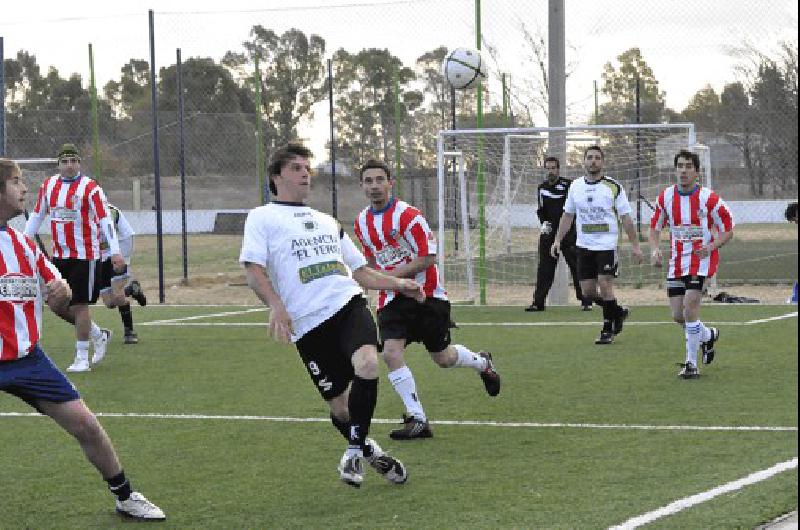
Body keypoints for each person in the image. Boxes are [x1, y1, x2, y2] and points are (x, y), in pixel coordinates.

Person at [240, 143, 419, 488]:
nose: (305, 173)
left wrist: (399, 283)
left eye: (307, 167)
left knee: (368, 364)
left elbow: (361, 272)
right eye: (295, 168)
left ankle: (353, 449)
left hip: (347, 304)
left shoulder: (327, 221)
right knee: (340, 409)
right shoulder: (261, 217)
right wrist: (276, 305)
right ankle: (368, 451)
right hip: (306, 325)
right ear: (276, 176)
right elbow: (253, 270)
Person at [0, 158, 165, 520]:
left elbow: (55, 284)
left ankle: (125, 496)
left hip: (27, 360)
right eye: (15, 182)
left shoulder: (21, 243)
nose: (24, 188)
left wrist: (59, 288)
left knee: (86, 424)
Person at [354, 159, 501, 440]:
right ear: (362, 186)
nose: (374, 186)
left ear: (390, 183)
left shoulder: (408, 216)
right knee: (390, 352)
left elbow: (428, 256)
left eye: (379, 180)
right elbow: (370, 261)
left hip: (427, 297)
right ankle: (417, 418)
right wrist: (376, 285)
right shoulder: (361, 222)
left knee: (443, 358)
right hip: (392, 300)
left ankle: (482, 363)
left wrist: (393, 278)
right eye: (368, 181)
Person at [24, 144, 121, 372]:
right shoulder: (48, 186)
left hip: (85, 255)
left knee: (79, 305)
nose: (70, 165)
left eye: (74, 161)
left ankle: (81, 358)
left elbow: (105, 220)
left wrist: (115, 250)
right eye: (65, 161)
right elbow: (38, 215)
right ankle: (99, 334)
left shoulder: (90, 188)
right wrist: (24, 242)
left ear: (79, 163)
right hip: (59, 256)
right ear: (59, 164)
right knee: (56, 303)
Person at [649, 150, 735, 379]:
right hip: (677, 262)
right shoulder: (665, 197)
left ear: (696, 171)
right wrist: (655, 249)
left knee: (690, 308)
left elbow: (728, 230)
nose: (684, 170)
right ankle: (707, 336)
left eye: (688, 166)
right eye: (680, 166)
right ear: (675, 169)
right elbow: (655, 227)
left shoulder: (709, 199)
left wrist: (712, 246)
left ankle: (691, 364)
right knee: (678, 315)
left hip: (701, 260)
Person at [551, 145, 644, 345]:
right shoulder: (575, 186)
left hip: (607, 246)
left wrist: (635, 245)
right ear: (584, 162)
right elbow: (568, 215)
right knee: (588, 293)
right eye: (589, 157)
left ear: (602, 162)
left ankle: (607, 329)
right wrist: (557, 239)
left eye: (597, 158)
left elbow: (626, 218)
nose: (593, 161)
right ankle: (617, 312)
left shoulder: (613, 187)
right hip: (584, 246)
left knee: (605, 283)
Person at [525, 156, 590, 312]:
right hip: (549, 233)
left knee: (576, 266)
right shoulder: (541, 188)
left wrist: (573, 227)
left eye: (553, 168)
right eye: (548, 168)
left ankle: (585, 300)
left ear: (558, 169)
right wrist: (544, 225)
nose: (551, 171)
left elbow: (573, 209)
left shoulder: (568, 185)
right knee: (544, 268)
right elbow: (541, 210)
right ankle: (538, 303)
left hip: (567, 232)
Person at [95, 203, 147, 346]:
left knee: (118, 295)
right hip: (100, 255)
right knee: (110, 303)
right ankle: (132, 289)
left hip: (120, 248)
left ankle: (129, 332)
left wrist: (120, 256)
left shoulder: (108, 210)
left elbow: (111, 232)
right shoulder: (81, 212)